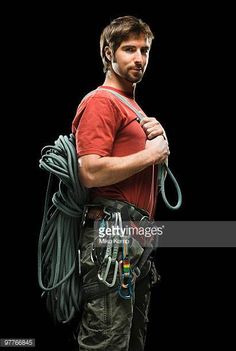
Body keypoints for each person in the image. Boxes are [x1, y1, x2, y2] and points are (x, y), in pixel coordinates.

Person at [71, 15, 170, 351]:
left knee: (130, 341)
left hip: (136, 239)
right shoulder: (101, 101)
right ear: (108, 53)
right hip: (112, 235)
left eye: (144, 49)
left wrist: (157, 147)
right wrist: (151, 155)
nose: (139, 58)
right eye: (129, 49)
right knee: (108, 341)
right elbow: (91, 171)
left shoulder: (134, 108)